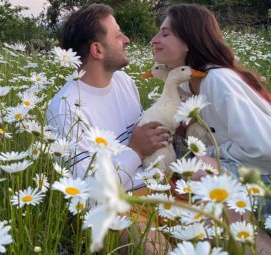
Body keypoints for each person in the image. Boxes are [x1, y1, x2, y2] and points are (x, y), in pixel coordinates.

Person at [150, 3, 271, 253]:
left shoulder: (218, 80)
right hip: (244, 178)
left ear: (189, 41)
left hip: (264, 178)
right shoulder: (186, 86)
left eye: (165, 33)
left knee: (203, 183)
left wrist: (213, 159)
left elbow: (265, 148)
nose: (154, 39)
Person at [46, 4, 171, 192]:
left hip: (160, 186)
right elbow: (86, 191)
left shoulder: (124, 81)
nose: (126, 40)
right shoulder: (65, 110)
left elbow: (145, 135)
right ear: (97, 50)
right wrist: (136, 150)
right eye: (118, 35)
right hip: (121, 206)